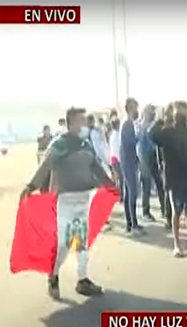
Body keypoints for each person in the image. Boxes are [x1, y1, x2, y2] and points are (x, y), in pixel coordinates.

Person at [20, 107, 112, 299]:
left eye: (84, 121)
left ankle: (83, 280)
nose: (84, 125)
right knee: (64, 243)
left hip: (83, 198)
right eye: (81, 121)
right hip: (65, 200)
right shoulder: (59, 145)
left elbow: (95, 167)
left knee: (82, 242)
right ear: (71, 124)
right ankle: (53, 276)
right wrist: (30, 186)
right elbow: (45, 167)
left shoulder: (86, 144)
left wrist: (109, 184)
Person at [151, 101, 187, 257]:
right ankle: (177, 245)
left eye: (183, 110)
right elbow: (152, 134)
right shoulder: (167, 132)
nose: (181, 113)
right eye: (178, 110)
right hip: (175, 179)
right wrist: (160, 118)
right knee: (176, 213)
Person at [137, 104, 166, 222]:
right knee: (146, 186)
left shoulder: (155, 125)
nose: (152, 114)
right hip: (145, 157)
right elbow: (139, 145)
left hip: (155, 156)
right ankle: (146, 212)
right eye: (150, 111)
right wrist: (141, 160)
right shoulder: (140, 126)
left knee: (160, 184)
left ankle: (164, 209)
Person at [120, 97, 144, 234]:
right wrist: (139, 136)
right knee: (132, 192)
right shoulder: (127, 124)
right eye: (135, 108)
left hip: (127, 161)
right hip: (128, 162)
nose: (137, 111)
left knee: (128, 192)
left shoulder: (126, 123)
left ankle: (130, 223)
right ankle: (133, 224)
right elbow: (129, 143)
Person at [109, 118, 123, 200]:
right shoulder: (117, 135)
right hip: (117, 159)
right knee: (121, 179)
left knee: (118, 178)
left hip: (113, 158)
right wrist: (121, 160)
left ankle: (119, 195)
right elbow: (118, 149)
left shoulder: (112, 135)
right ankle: (121, 195)